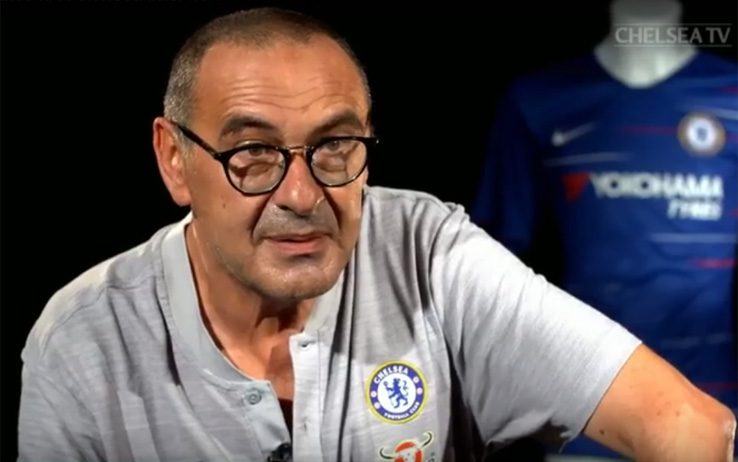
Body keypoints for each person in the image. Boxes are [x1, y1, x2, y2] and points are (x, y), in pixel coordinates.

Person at [17, 6, 736, 462]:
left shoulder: (430, 253)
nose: (302, 195)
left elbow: (689, 426)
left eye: (335, 145)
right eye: (253, 153)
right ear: (175, 160)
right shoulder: (84, 338)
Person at [471, 0, 738, 460]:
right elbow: (491, 263)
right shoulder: (541, 98)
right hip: (585, 415)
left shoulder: (730, 95)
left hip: (712, 408)